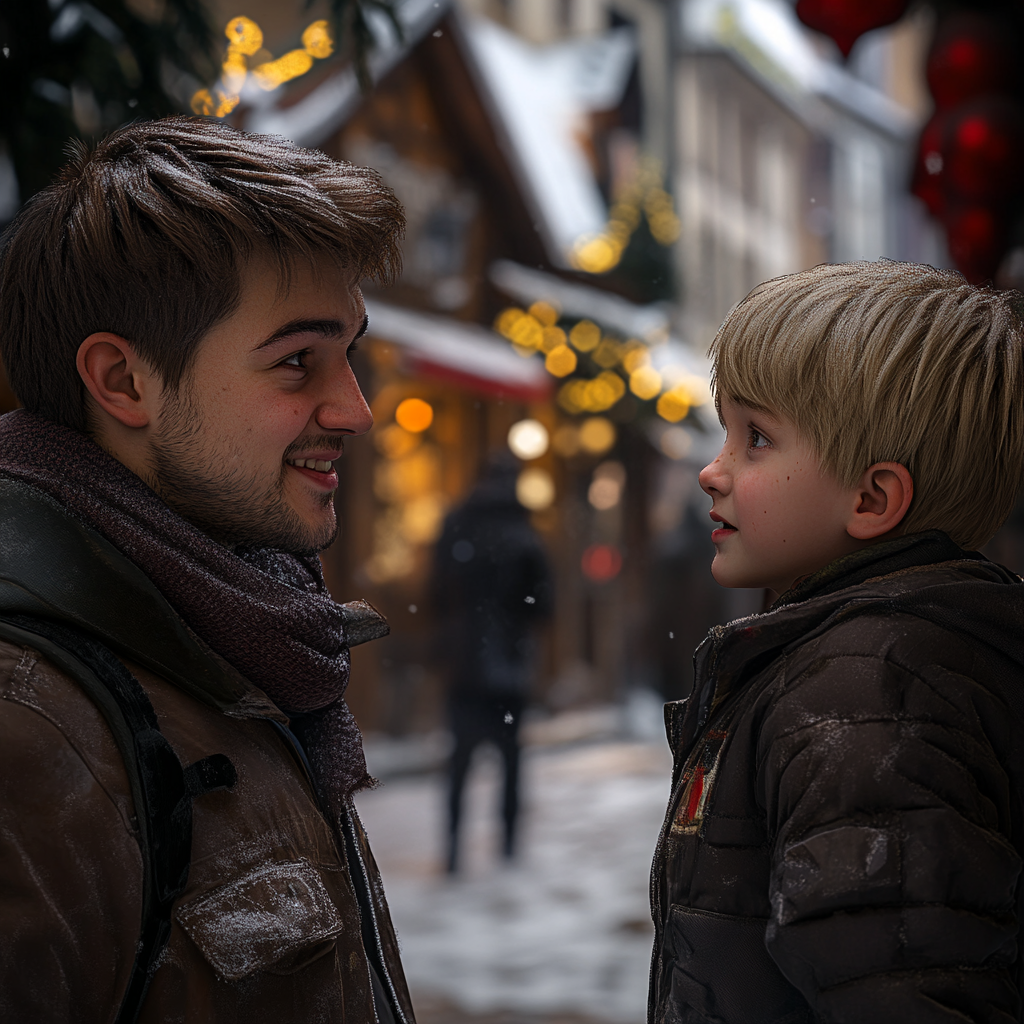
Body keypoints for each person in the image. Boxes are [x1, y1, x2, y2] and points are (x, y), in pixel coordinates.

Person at [0, 117, 416, 1023]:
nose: (354, 409)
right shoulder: (27, 722)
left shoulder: (235, 634)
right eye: (297, 361)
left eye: (350, 353)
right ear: (123, 381)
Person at [649, 261, 1024, 1023]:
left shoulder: (867, 697)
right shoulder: (874, 661)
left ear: (872, 498)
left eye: (756, 439)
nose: (711, 471)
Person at [432, 454, 552, 873]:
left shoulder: (456, 524)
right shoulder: (524, 532)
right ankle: (508, 849)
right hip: (510, 667)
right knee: (511, 761)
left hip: (465, 662)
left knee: (460, 762)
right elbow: (543, 605)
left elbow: (434, 592)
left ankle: (452, 853)